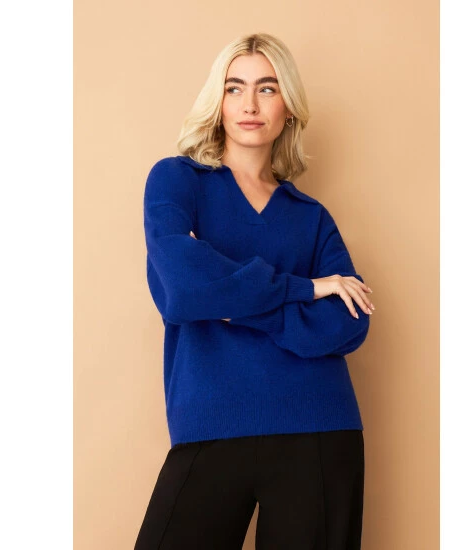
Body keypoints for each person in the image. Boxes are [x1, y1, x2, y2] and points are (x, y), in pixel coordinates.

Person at [134, 32, 375, 550]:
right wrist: (305, 289)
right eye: (234, 87)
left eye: (267, 88)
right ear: (217, 102)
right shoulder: (178, 181)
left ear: (288, 107)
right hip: (209, 424)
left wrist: (228, 301)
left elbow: (349, 322)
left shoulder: (311, 217)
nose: (249, 104)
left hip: (319, 425)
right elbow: (182, 288)